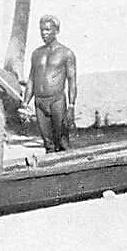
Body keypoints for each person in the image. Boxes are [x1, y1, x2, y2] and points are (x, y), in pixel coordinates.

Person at [22, 14, 77, 152]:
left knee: (63, 141)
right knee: (48, 143)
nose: (44, 33)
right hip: (40, 102)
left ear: (56, 31)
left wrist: (71, 106)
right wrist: (25, 103)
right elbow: (31, 79)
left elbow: (72, 80)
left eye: (47, 30)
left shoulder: (66, 53)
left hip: (57, 100)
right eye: (42, 30)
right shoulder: (36, 54)